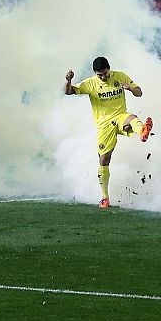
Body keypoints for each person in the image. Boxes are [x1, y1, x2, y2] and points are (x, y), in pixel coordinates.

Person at [65, 55, 152, 208]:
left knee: (132, 118)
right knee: (104, 160)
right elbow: (69, 92)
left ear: (109, 69)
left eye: (105, 73)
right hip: (104, 124)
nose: (103, 77)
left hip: (120, 116)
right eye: (100, 75)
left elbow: (139, 93)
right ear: (95, 73)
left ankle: (142, 132)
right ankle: (105, 197)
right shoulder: (90, 83)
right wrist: (69, 80)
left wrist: (130, 88)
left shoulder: (120, 76)